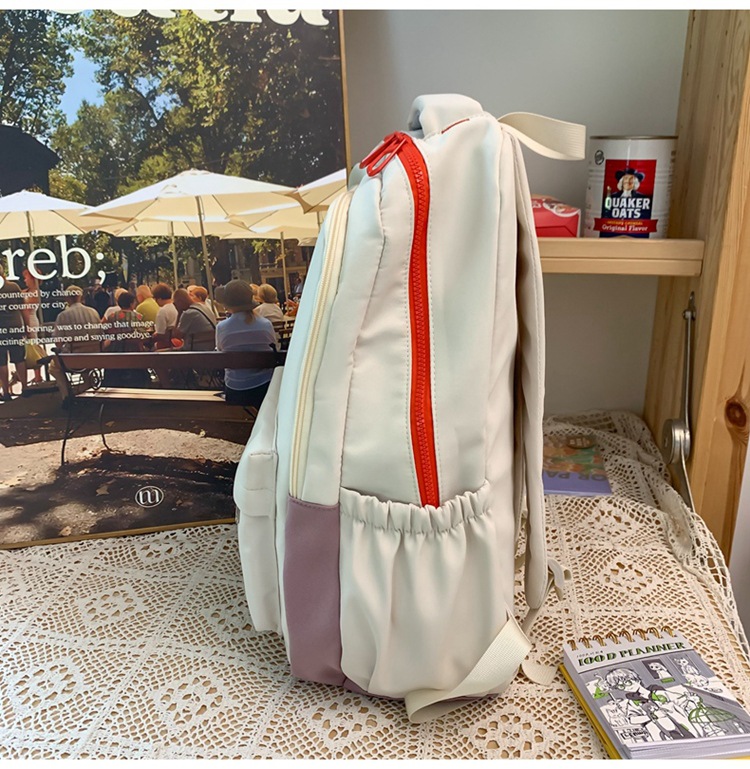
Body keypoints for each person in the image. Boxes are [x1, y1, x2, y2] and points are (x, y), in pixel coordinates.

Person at [215, 279, 276, 408]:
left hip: (235, 388)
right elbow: (274, 348)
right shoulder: (265, 324)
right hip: (263, 387)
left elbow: (220, 351)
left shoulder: (222, 327)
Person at [49, 285, 102, 398]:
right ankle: (87, 387)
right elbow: (101, 335)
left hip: (74, 359)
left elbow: (58, 342)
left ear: (67, 298)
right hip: (94, 356)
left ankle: (66, 395)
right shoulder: (93, 312)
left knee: (53, 368)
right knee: (86, 367)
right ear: (81, 297)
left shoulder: (63, 315)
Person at [101, 291, 151, 387]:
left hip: (115, 351)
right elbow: (143, 335)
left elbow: (106, 330)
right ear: (132, 304)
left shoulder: (112, 316)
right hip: (133, 351)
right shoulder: (137, 316)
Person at [0, 265, 27, 400]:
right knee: (19, 358)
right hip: (15, 325)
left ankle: (6, 392)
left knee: (2, 362)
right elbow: (23, 308)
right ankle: (25, 388)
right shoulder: (14, 287)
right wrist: (26, 326)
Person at [151, 283, 178, 349]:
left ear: (159, 299)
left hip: (165, 345)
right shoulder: (176, 307)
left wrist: (152, 336)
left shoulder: (162, 311)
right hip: (176, 342)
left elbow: (160, 335)